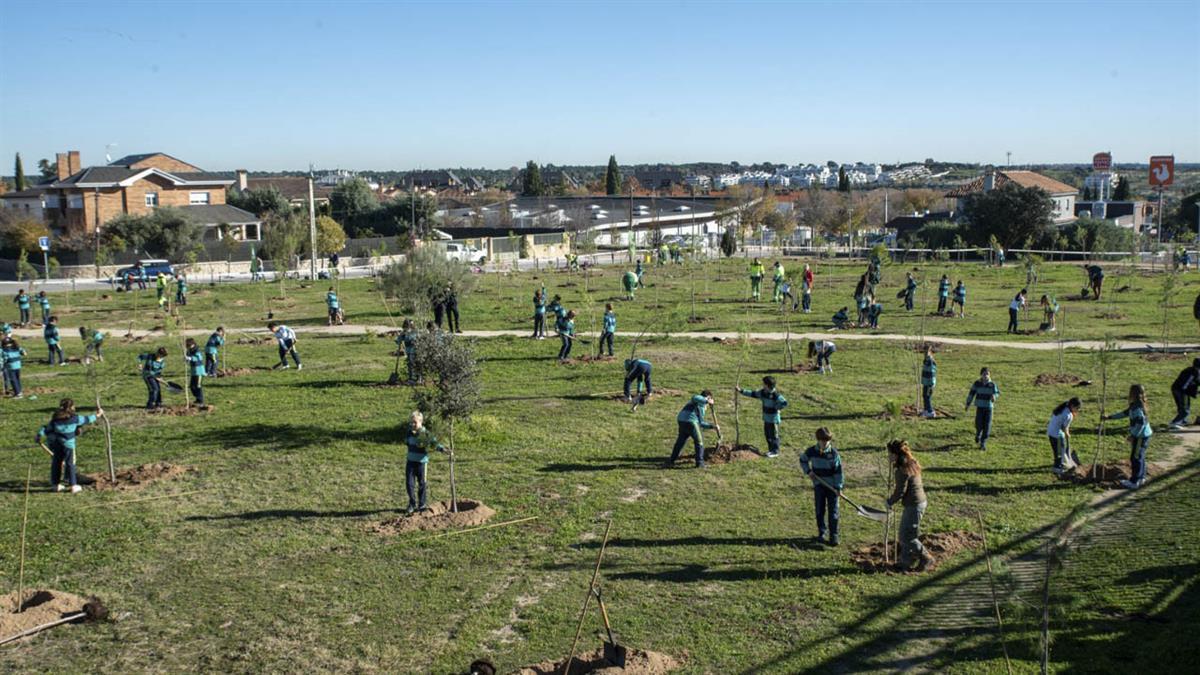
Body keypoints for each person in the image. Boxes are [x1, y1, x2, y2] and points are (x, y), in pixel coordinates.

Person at [36, 398, 103, 494]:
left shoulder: (55, 419)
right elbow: (87, 419)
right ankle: (73, 485)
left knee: (56, 463)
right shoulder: (75, 418)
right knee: (70, 463)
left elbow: (46, 428)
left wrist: (39, 435)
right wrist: (98, 415)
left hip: (56, 443)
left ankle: (55, 485)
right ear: (71, 407)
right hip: (68, 445)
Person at [885, 439, 932, 571]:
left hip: (914, 505)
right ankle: (905, 562)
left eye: (889, 454)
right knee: (907, 534)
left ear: (895, 455)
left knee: (906, 536)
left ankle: (927, 558)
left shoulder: (902, 470)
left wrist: (889, 502)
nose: (888, 457)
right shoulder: (911, 462)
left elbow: (900, 491)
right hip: (917, 502)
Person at [800, 427, 843, 546]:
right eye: (822, 441)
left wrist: (838, 487)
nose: (825, 443)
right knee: (820, 509)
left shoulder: (834, 454)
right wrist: (808, 471)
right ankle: (821, 532)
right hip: (819, 485)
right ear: (818, 440)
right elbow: (803, 460)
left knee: (833, 511)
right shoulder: (811, 451)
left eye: (827, 441)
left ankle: (834, 535)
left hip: (832, 487)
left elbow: (838, 472)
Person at [1104, 384, 1152, 490]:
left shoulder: (1138, 408)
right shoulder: (1135, 405)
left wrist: (1133, 435)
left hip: (1140, 436)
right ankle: (1141, 478)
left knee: (1135, 457)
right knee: (1140, 456)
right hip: (1143, 435)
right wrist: (1110, 417)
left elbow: (1141, 423)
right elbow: (1124, 413)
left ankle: (1134, 481)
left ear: (1133, 394)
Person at [403, 410, 445, 515]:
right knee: (409, 484)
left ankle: (422, 505)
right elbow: (406, 442)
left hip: (421, 463)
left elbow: (434, 443)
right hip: (410, 462)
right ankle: (412, 503)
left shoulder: (426, 434)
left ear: (421, 422)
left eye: (415, 422)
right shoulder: (409, 433)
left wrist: (443, 449)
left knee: (422, 484)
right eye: (411, 422)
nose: (412, 424)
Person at [738, 376, 789, 458]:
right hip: (766, 418)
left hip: (773, 419)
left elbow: (784, 403)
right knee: (767, 435)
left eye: (764, 384)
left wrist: (777, 407)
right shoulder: (763, 393)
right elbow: (753, 394)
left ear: (768, 385)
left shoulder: (775, 395)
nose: (762, 385)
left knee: (773, 435)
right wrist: (741, 391)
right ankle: (770, 450)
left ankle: (775, 451)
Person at [667, 390, 718, 468]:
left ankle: (671, 460)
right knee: (699, 441)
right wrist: (707, 400)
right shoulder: (698, 400)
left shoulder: (702, 408)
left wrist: (712, 426)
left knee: (680, 441)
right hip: (690, 421)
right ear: (708, 397)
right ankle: (700, 463)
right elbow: (695, 397)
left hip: (682, 421)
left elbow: (700, 423)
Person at [965, 367, 1000, 450]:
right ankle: (978, 434)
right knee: (979, 423)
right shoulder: (977, 383)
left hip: (988, 408)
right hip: (980, 407)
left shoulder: (992, 385)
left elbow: (997, 392)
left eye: (987, 374)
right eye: (984, 374)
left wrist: (994, 397)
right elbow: (971, 393)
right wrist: (968, 404)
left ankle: (983, 442)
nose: (986, 376)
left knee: (987, 425)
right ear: (981, 375)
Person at [1047, 398, 1082, 475]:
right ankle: (1057, 467)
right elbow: (1064, 427)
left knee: (1056, 451)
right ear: (1072, 406)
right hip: (1057, 435)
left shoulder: (1063, 407)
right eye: (1077, 408)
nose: (1078, 410)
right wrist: (1067, 433)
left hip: (1050, 432)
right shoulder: (1068, 415)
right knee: (1060, 452)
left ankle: (1059, 463)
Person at [1169, 358, 1200, 428]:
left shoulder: (1189, 369)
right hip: (1182, 391)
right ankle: (1174, 423)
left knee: (1182, 407)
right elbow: (1188, 383)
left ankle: (1182, 420)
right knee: (1185, 409)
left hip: (1175, 388)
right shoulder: (1196, 372)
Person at [184, 338, 206, 406]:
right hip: (193, 370)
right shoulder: (188, 350)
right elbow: (187, 357)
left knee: (198, 386)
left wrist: (191, 358)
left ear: (192, 344)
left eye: (188, 346)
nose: (188, 347)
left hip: (199, 370)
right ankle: (197, 398)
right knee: (192, 386)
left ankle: (201, 401)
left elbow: (199, 358)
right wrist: (186, 359)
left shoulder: (197, 350)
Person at [397, 319, 418, 383]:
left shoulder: (414, 332)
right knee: (410, 364)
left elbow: (414, 340)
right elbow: (398, 341)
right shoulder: (404, 332)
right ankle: (411, 378)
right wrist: (400, 336)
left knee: (414, 364)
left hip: (414, 351)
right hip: (408, 351)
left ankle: (416, 378)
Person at [920, 345, 937, 418]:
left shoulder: (930, 361)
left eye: (927, 352)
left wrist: (932, 383)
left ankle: (931, 411)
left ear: (930, 352)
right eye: (924, 352)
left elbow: (932, 372)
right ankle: (926, 410)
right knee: (924, 395)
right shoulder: (926, 360)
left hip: (929, 383)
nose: (926, 353)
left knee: (927, 396)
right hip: (925, 382)